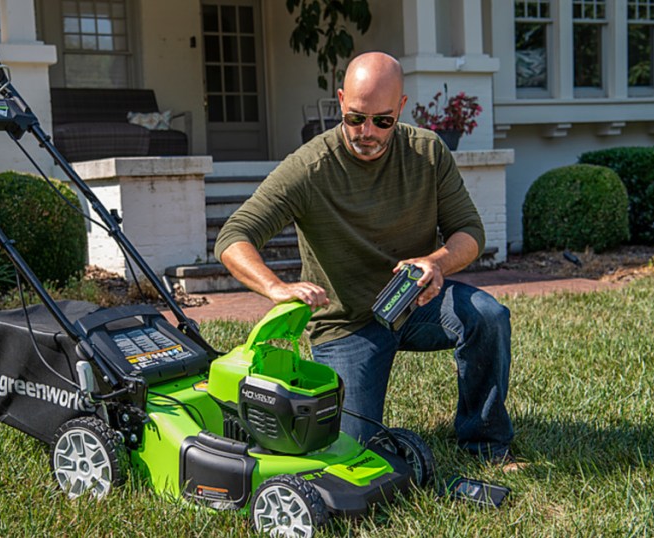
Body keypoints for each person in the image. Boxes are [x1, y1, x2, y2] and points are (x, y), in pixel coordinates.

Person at [214, 52, 515, 464]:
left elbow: (470, 232)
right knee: (357, 452)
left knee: (488, 316)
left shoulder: (427, 152)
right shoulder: (309, 167)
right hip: (347, 324)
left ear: (401, 109)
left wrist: (436, 263)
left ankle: (485, 443)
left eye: (382, 120)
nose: (367, 131)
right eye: (356, 118)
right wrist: (275, 288)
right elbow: (234, 236)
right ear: (340, 101)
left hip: (415, 303)